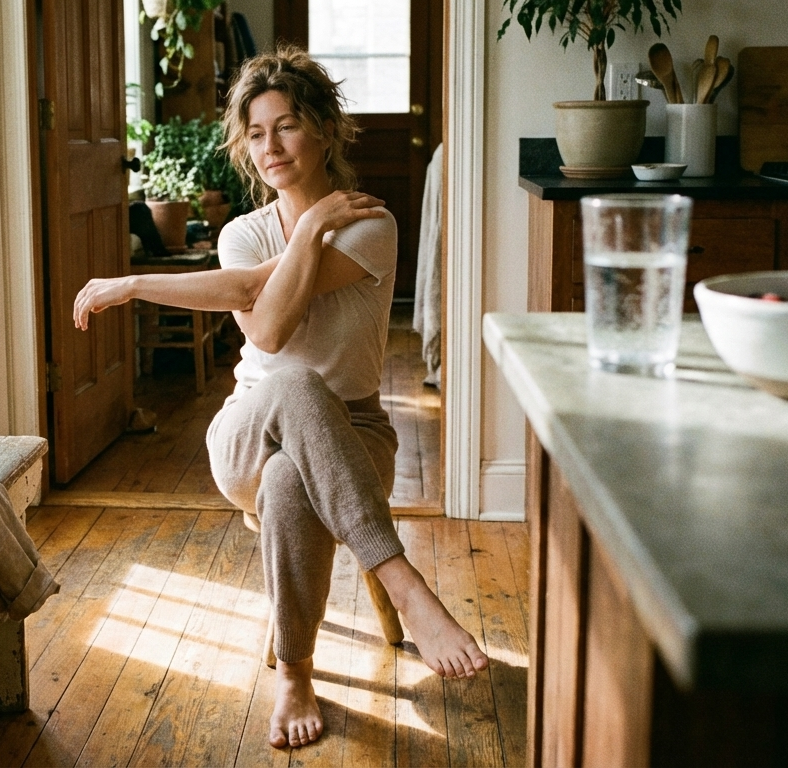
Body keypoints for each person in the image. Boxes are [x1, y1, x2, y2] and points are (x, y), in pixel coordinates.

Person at [73, 45, 488, 749]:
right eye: (256, 133)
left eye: (287, 126)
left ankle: (294, 672)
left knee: (292, 480)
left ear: (325, 129)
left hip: (356, 433)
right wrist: (134, 282)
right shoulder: (244, 233)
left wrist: (325, 220)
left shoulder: (372, 225)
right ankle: (406, 586)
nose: (270, 145)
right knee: (292, 382)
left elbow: (264, 302)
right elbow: (263, 322)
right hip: (248, 429)